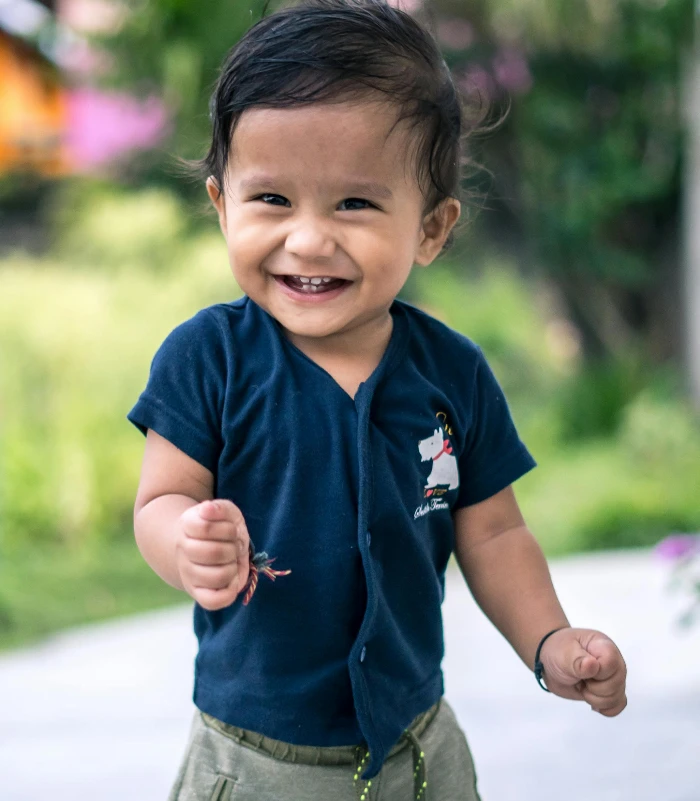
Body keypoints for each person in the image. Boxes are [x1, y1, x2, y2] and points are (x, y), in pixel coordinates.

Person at [127, 1, 628, 799]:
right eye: (272, 201)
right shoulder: (208, 358)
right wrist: (183, 543)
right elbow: (162, 498)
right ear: (222, 205)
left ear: (431, 228)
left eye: (354, 204)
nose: (309, 239)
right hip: (257, 762)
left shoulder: (451, 372)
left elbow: (494, 533)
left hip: (417, 750)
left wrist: (550, 639)